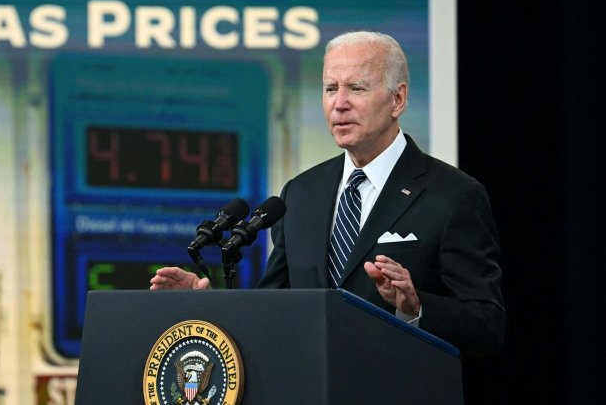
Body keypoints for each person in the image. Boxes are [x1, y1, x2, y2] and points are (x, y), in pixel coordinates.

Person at [150, 31, 506, 356]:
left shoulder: (454, 195)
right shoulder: (301, 193)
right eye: (331, 88)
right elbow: (273, 310)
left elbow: (488, 325)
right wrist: (208, 305)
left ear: (397, 99)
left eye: (357, 88)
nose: (340, 103)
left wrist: (415, 308)